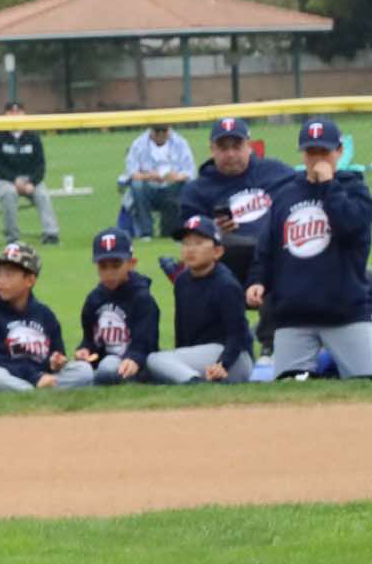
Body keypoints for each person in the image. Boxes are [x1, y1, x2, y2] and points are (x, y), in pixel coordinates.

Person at [245, 117, 372, 378]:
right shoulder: (286, 194)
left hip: (345, 312)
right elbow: (268, 246)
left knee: (365, 381)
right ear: (302, 154)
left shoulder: (355, 190)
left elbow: (349, 227)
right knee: (290, 386)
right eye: (311, 152)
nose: (317, 159)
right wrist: (258, 279)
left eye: (324, 151)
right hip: (295, 315)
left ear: (339, 151)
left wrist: (329, 186)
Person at [179, 116, 296, 349]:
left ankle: (270, 342)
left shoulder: (276, 172)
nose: (231, 154)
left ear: (249, 145)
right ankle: (254, 342)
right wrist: (210, 229)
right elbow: (187, 236)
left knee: (279, 256)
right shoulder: (198, 190)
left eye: (237, 145)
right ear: (212, 150)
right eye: (223, 147)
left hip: (277, 257)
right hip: (231, 265)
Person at [146, 216, 253, 384]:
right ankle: (191, 379)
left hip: (233, 360)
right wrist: (179, 357)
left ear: (217, 252)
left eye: (198, 243)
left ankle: (193, 382)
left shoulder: (226, 284)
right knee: (157, 364)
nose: (190, 249)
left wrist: (223, 364)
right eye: (185, 243)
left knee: (155, 359)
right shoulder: (182, 281)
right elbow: (182, 330)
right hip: (201, 358)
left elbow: (237, 335)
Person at [0, 243, 84, 391]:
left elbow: (56, 355)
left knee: (83, 371)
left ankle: (38, 390)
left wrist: (56, 361)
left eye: (9, 275)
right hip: (11, 376)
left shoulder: (45, 315)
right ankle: (32, 392)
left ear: (30, 280)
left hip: (41, 377)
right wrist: (35, 378)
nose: (1, 281)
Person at [71, 229, 160, 386]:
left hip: (134, 365)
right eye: (103, 266)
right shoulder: (94, 299)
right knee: (80, 369)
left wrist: (134, 358)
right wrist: (84, 350)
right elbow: (90, 339)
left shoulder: (142, 299)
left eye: (116, 265)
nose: (109, 272)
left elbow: (145, 343)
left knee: (108, 367)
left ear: (131, 264)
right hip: (104, 361)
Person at [0, 101, 60, 246]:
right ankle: (12, 237)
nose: (15, 115)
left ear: (24, 114)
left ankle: (51, 234)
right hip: (5, 180)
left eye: (18, 112)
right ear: (5, 115)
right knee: (9, 194)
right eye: (11, 112)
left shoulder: (33, 137)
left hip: (30, 180)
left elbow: (40, 165)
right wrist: (14, 180)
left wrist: (32, 182)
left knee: (42, 195)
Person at [119, 122, 197, 239]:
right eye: (157, 131)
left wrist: (176, 177)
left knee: (184, 186)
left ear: (169, 130)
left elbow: (190, 172)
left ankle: (169, 231)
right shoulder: (138, 144)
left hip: (172, 188)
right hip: (148, 188)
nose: (161, 134)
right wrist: (150, 176)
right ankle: (146, 232)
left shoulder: (181, 143)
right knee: (136, 186)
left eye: (164, 131)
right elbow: (131, 173)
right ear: (150, 130)